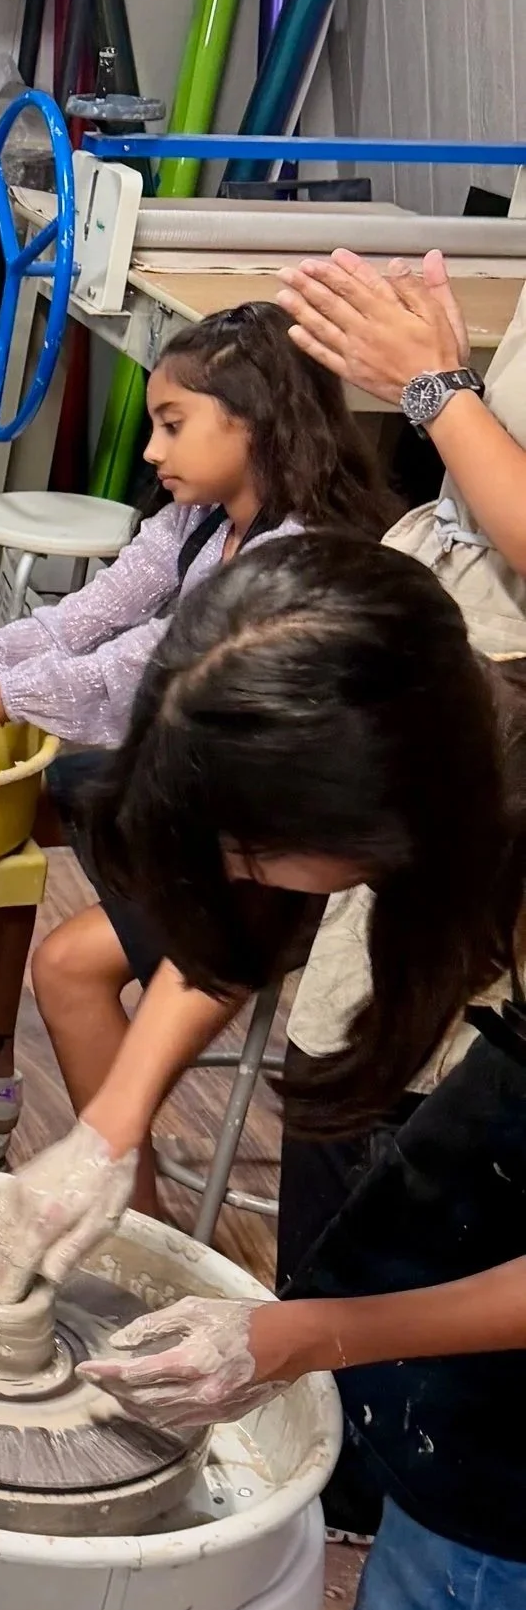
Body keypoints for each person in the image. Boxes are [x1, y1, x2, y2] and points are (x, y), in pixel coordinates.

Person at [0, 533, 526, 1610]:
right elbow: (238, 933)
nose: (236, 873)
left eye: (253, 845)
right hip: (502, 1069)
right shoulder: (403, 754)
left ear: (383, 823)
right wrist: (104, 1131)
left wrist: (300, 1333)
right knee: (401, 1390)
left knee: (476, 1519)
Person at [0, 303, 388, 1183]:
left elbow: (125, 676)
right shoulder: (201, 519)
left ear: (258, 418)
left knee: (70, 967)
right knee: (5, 807)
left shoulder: (300, 556)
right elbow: (75, 624)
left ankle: (135, 1227)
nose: (152, 450)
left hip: (276, 855)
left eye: (172, 425)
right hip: (198, 795)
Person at [270, 253, 526, 1329]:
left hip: (493, 714)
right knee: (343, 1043)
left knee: (412, 1116)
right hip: (458, 661)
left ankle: (358, 1481)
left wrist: (435, 394)